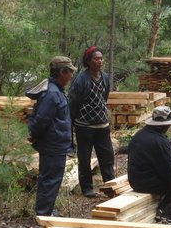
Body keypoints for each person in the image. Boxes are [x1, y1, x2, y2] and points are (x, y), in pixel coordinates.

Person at [27, 56, 77, 216]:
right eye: (69, 72)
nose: (71, 76)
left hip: (57, 144)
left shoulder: (57, 91)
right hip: (52, 146)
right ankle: (43, 213)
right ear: (62, 72)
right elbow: (41, 120)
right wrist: (34, 135)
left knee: (52, 179)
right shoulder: (52, 94)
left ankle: (46, 210)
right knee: (50, 179)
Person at [127, 106, 171, 225]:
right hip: (147, 183)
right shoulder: (159, 142)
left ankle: (163, 209)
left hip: (135, 180)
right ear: (165, 125)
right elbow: (170, 174)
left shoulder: (140, 135)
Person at [68, 46, 115, 198]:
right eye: (96, 58)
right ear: (88, 61)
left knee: (107, 157)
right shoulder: (81, 79)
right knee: (84, 158)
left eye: (101, 58)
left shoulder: (105, 77)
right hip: (84, 126)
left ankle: (110, 185)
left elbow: (104, 98)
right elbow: (73, 103)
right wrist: (73, 123)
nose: (99, 61)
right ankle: (87, 188)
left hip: (102, 125)